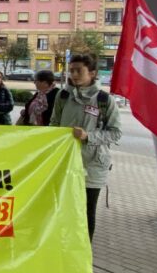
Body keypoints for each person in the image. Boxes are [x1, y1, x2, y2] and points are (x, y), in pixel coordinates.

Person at [50, 54, 121, 241]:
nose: (73, 74)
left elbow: (115, 133)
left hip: (92, 166)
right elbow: (54, 124)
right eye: (71, 70)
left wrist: (88, 136)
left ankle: (84, 252)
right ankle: (63, 247)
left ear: (92, 73)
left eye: (78, 70)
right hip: (65, 163)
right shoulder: (63, 95)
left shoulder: (104, 100)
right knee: (64, 208)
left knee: (87, 211)